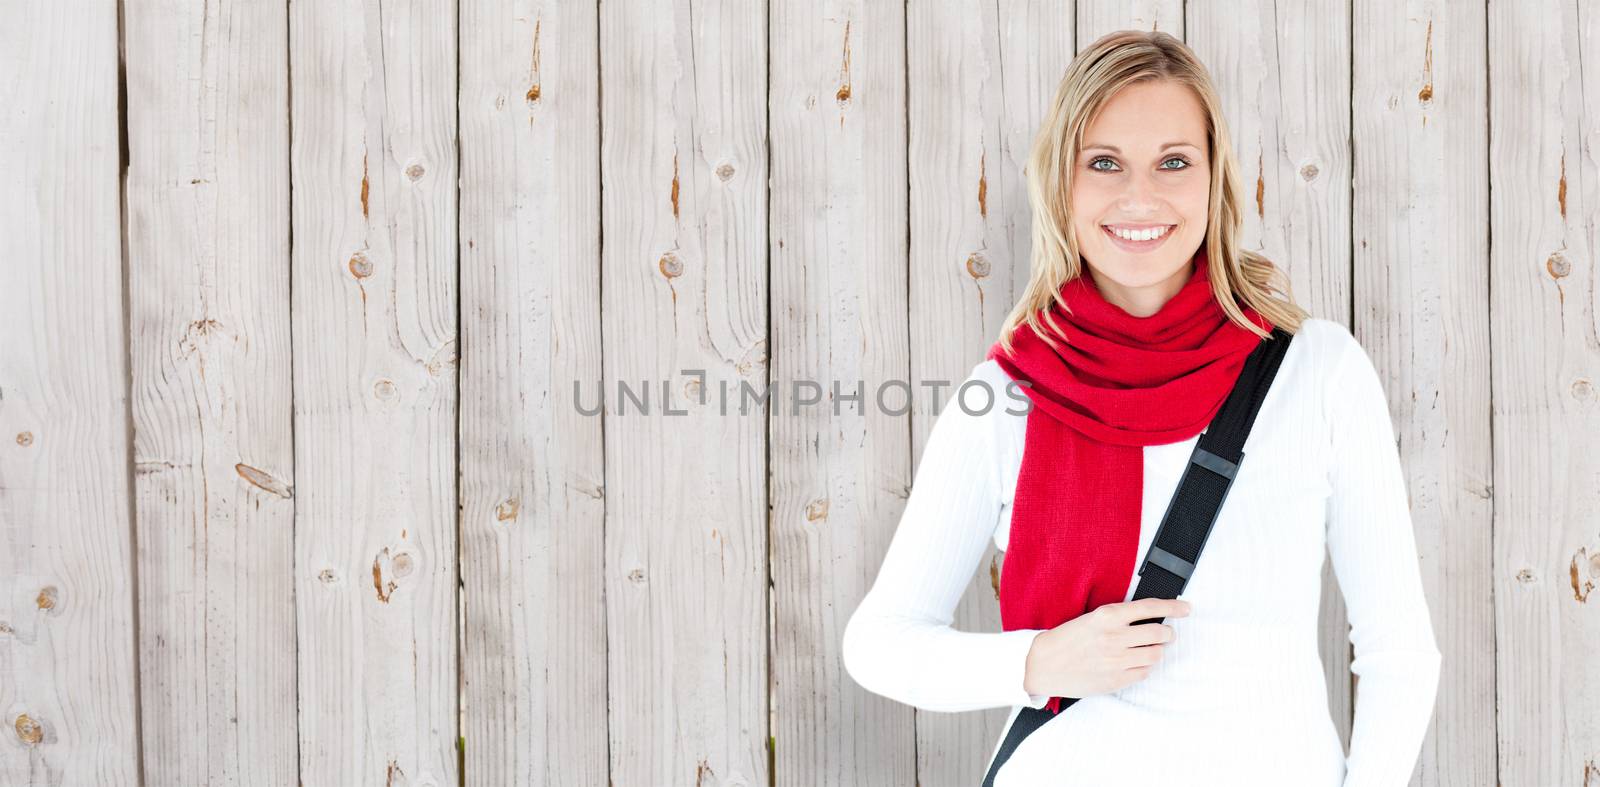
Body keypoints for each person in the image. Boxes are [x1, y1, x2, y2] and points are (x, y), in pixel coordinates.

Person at [840, 30, 1441, 787]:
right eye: (1104, 163)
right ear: (1062, 181)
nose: (1140, 197)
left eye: (1174, 162)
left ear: (1216, 177)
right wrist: (1035, 660)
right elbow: (879, 642)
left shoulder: (1317, 372)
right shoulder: (1004, 397)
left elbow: (1399, 651)